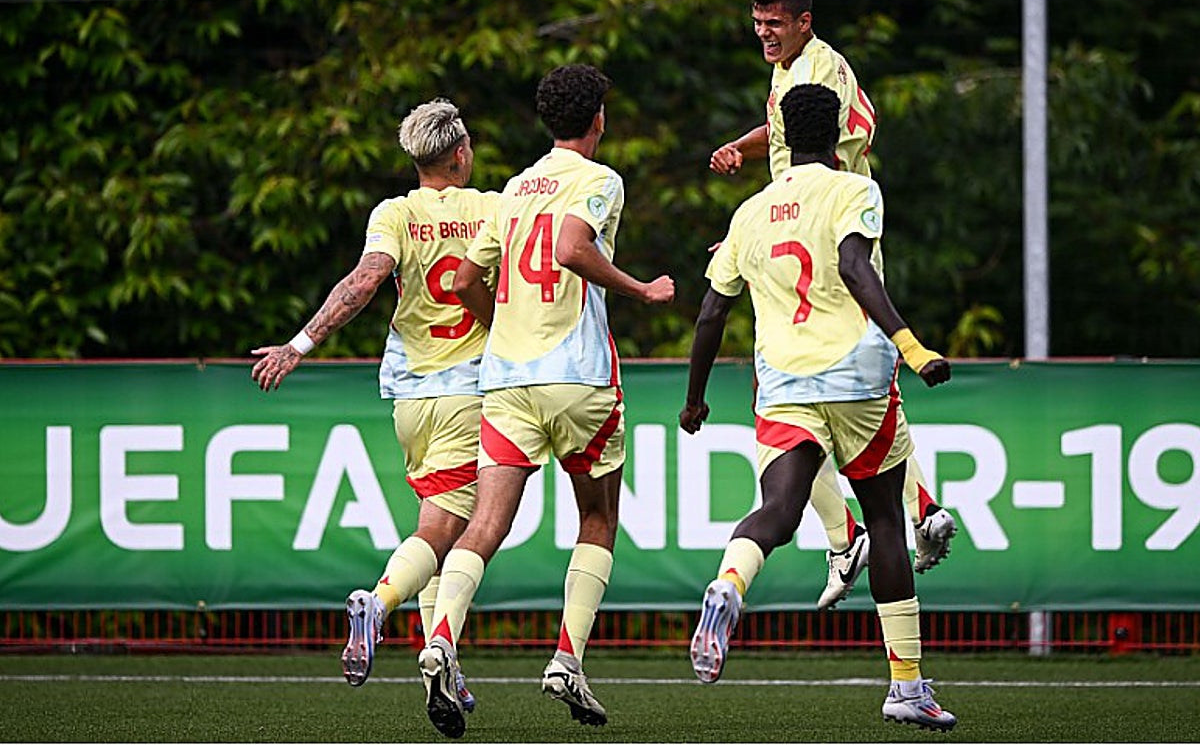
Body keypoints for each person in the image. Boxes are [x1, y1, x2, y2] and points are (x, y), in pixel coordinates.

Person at [682, 83, 957, 731]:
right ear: (836, 136)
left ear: (779, 135)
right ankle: (907, 688)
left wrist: (696, 400)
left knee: (778, 508)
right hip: (857, 377)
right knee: (886, 521)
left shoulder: (750, 213)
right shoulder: (855, 190)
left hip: (783, 382)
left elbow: (711, 312)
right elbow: (857, 269)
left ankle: (729, 584)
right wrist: (913, 348)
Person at [413, 64, 675, 739]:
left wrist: (497, 329)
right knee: (597, 517)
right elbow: (570, 247)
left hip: (505, 382)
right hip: (580, 378)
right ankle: (567, 658)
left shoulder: (511, 191)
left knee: (485, 524)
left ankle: (441, 636)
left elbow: (465, 278)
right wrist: (641, 289)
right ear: (598, 121)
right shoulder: (600, 179)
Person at [709, 0, 956, 606]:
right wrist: (746, 144)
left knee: (789, 404)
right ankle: (914, 510)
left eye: (774, 23)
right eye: (757, 22)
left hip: (831, 245)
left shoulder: (819, 70)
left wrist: (764, 227)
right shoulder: (795, 66)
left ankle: (853, 536)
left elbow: (844, 139)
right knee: (853, 403)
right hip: (813, 236)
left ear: (803, 22)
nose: (763, 33)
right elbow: (797, 130)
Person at [250, 98, 494, 710]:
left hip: (409, 396)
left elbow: (362, 283)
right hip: (466, 389)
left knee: (435, 531)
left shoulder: (395, 212)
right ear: (461, 152)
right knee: (446, 533)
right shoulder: (492, 207)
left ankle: (442, 664)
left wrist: (298, 345)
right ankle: (378, 602)